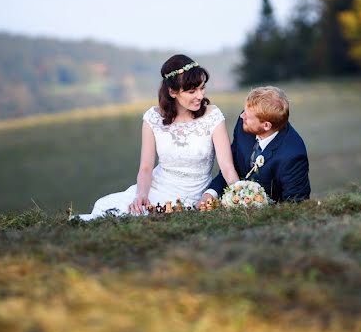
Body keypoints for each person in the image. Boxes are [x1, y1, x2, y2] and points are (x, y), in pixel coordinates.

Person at [75, 54, 239, 221]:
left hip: (195, 192)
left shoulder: (213, 116)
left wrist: (239, 193)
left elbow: (226, 166)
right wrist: (141, 195)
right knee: (105, 206)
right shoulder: (152, 118)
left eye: (202, 88)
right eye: (192, 91)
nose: (200, 96)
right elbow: (146, 168)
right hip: (158, 185)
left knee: (151, 215)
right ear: (173, 92)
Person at [200, 86, 310, 205]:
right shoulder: (244, 124)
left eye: (247, 116)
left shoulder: (292, 155)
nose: (242, 117)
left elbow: (296, 203)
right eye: (244, 112)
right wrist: (211, 193)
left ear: (266, 125)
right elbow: (233, 163)